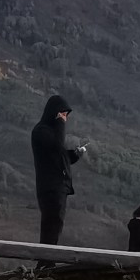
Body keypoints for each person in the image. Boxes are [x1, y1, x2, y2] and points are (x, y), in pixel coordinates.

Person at [30, 94, 88, 245]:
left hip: (59, 186)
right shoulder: (41, 131)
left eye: (65, 116)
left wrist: (75, 155)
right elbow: (57, 146)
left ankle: (47, 258)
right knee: (52, 222)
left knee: (56, 223)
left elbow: (61, 156)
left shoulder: (51, 134)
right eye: (62, 115)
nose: (65, 119)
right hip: (50, 186)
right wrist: (60, 125)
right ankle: (46, 259)